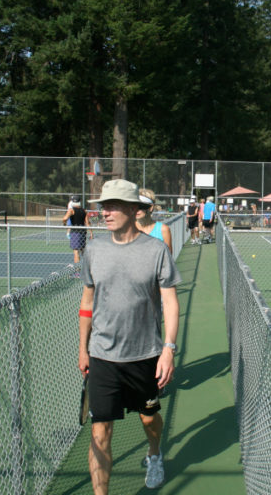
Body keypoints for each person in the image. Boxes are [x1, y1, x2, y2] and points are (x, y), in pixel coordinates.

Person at [78, 179, 181, 492]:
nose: (104, 212)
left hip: (145, 355)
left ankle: (154, 454)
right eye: (102, 206)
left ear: (134, 210)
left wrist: (168, 349)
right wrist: (83, 349)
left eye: (112, 206)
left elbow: (170, 302)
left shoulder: (156, 250)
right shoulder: (93, 250)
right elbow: (86, 303)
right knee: (100, 433)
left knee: (149, 420)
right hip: (102, 355)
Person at [136, 188, 173, 254]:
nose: (136, 209)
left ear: (151, 207)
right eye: (134, 205)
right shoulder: (127, 229)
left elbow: (168, 258)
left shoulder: (163, 230)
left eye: (141, 206)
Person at [62, 195, 93, 264]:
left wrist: (64, 224)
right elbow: (87, 223)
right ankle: (87, 267)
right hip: (83, 232)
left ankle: (77, 272)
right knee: (83, 250)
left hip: (75, 232)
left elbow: (64, 218)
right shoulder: (84, 211)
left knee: (76, 252)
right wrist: (91, 233)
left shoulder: (71, 210)